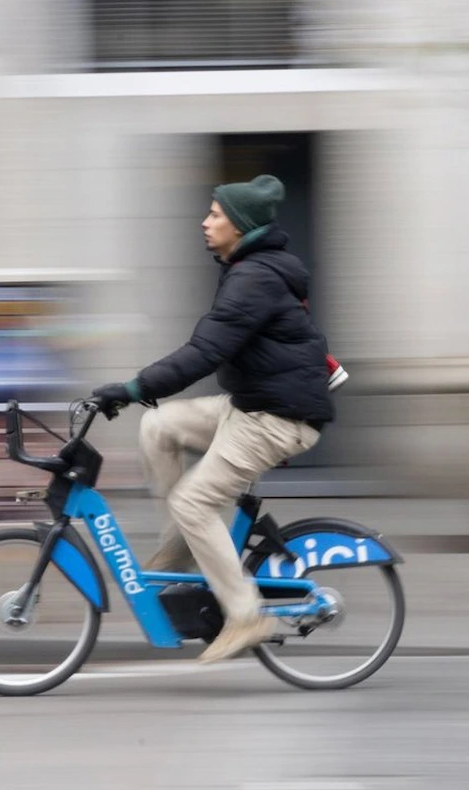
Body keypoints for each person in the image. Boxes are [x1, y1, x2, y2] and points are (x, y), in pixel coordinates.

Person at [92, 174, 334, 663]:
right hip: (251, 404)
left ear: (240, 226)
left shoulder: (255, 278)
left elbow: (204, 351)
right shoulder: (249, 270)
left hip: (276, 418)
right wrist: (141, 400)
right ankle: (179, 547)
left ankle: (246, 615)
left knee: (193, 501)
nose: (205, 223)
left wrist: (135, 388)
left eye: (216, 215)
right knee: (158, 426)